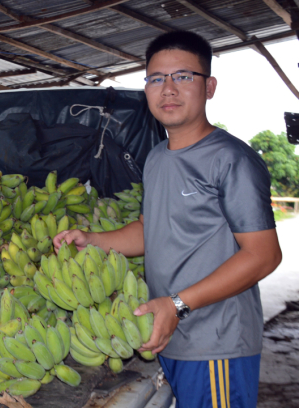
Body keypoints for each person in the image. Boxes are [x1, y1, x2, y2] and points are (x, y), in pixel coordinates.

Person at [53, 31, 282, 408]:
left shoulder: (231, 160)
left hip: (216, 343)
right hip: (169, 333)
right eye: (156, 78)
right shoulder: (158, 158)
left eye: (183, 76)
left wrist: (177, 304)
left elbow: (264, 255)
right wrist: (93, 240)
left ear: (209, 86)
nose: (168, 89)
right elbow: (150, 230)